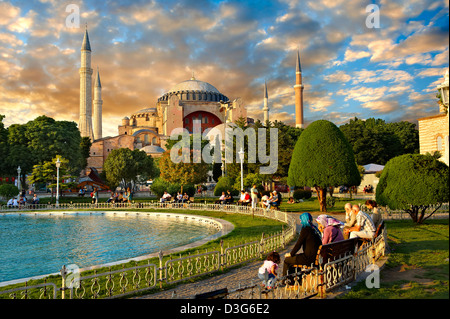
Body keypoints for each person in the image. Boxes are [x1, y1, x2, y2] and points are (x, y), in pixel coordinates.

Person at [282, 213, 322, 277]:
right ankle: (297, 279)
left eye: (300, 220)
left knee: (287, 260)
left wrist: (291, 254)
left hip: (308, 258)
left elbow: (298, 244)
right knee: (295, 259)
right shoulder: (314, 228)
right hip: (316, 257)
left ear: (303, 220)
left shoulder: (305, 229)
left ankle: (285, 280)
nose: (300, 221)